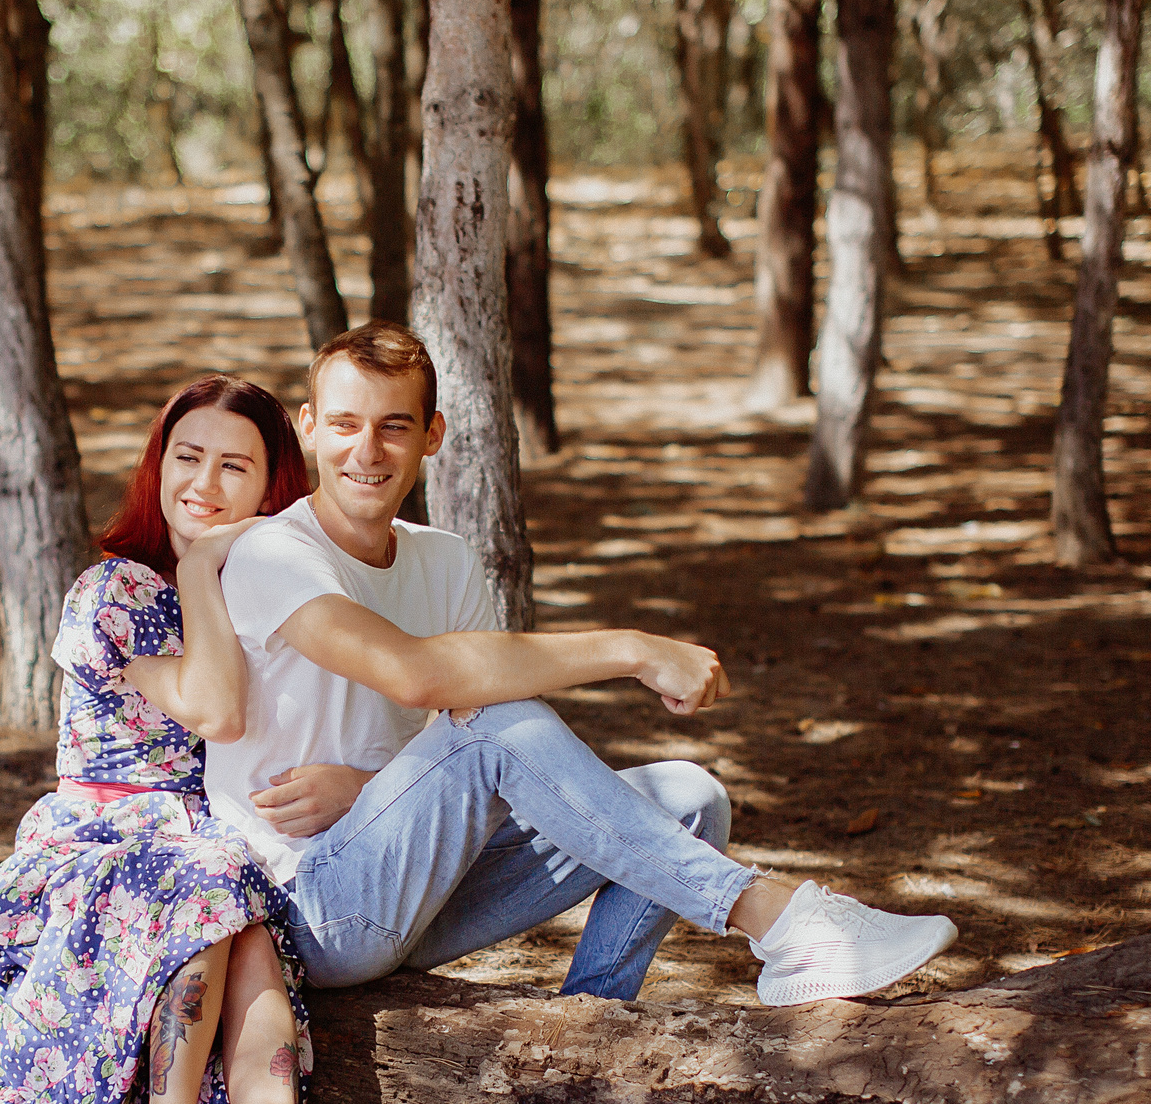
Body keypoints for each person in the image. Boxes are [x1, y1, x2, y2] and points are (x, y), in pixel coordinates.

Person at [204, 322, 958, 1005]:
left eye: (393, 426)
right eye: (344, 424)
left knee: (692, 799)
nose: (366, 451)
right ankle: (772, 913)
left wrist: (368, 790)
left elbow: (452, 734)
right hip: (307, 909)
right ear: (308, 429)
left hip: (420, 880)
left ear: (432, 435)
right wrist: (634, 648)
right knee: (497, 719)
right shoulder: (273, 552)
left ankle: (586, 1029)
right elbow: (417, 677)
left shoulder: (447, 560)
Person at [0, 376, 365, 1104]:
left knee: (242, 919)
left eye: (235, 464)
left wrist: (355, 783)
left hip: (206, 848)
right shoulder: (112, 592)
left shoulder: (270, 596)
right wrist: (205, 568)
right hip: (94, 846)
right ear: (157, 467)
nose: (204, 482)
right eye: (187, 456)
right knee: (212, 884)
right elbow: (215, 704)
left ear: (270, 486)